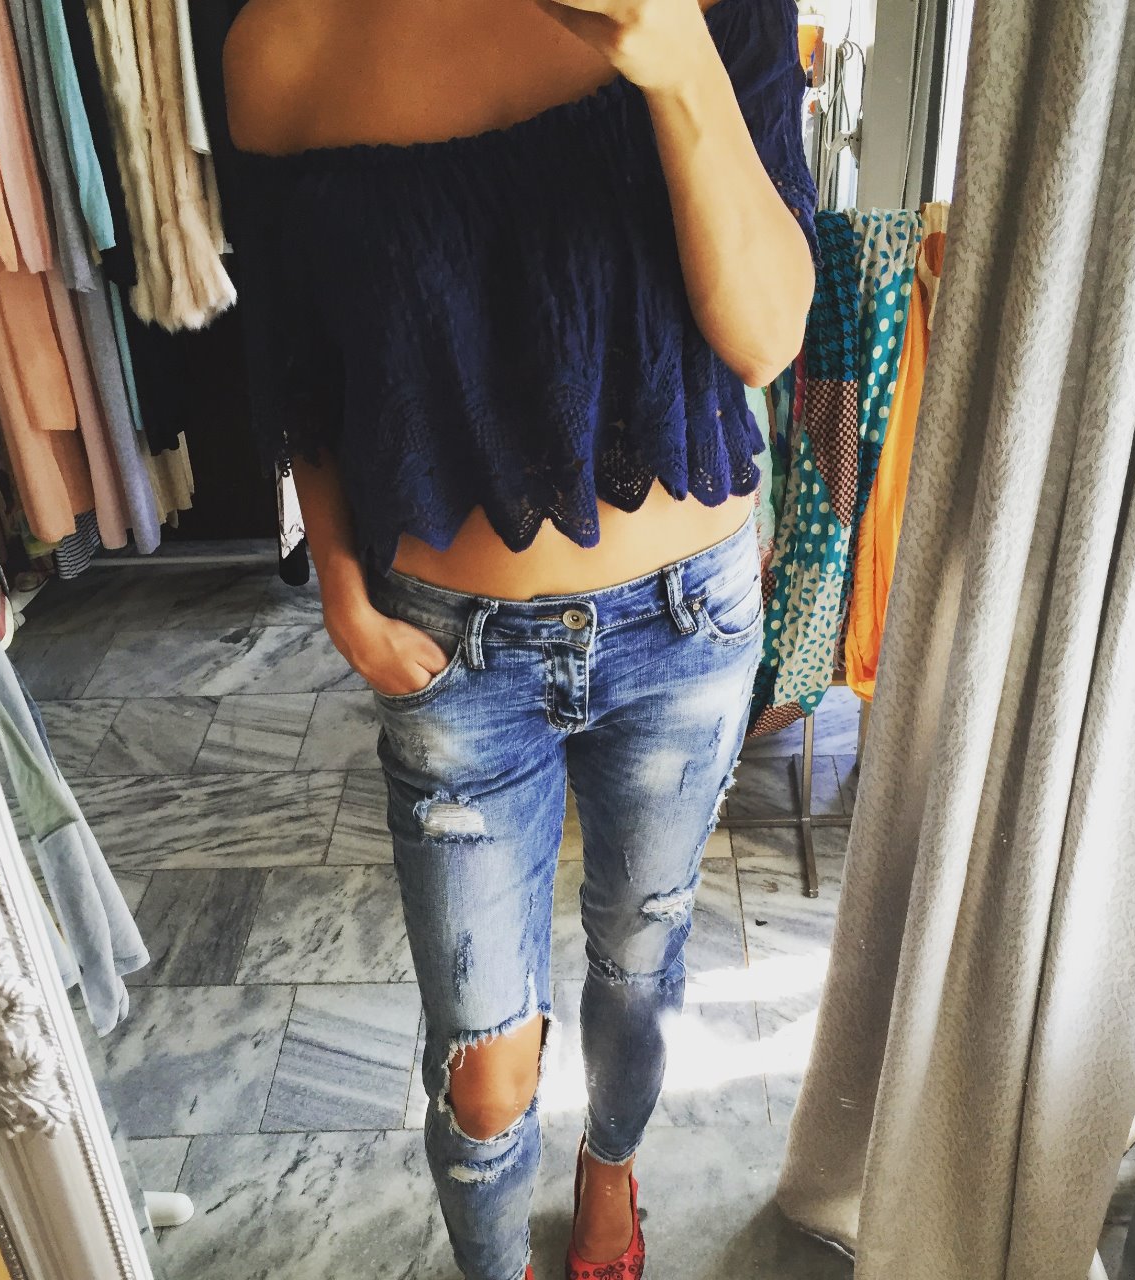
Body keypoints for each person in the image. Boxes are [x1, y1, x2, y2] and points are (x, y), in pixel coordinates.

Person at [223, 0, 816, 1275]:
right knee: (482, 1071)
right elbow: (300, 369)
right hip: (452, 658)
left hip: (682, 629)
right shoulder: (284, 45)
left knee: (637, 965)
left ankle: (610, 1165)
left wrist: (675, 61)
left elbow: (767, 334)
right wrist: (341, 589)